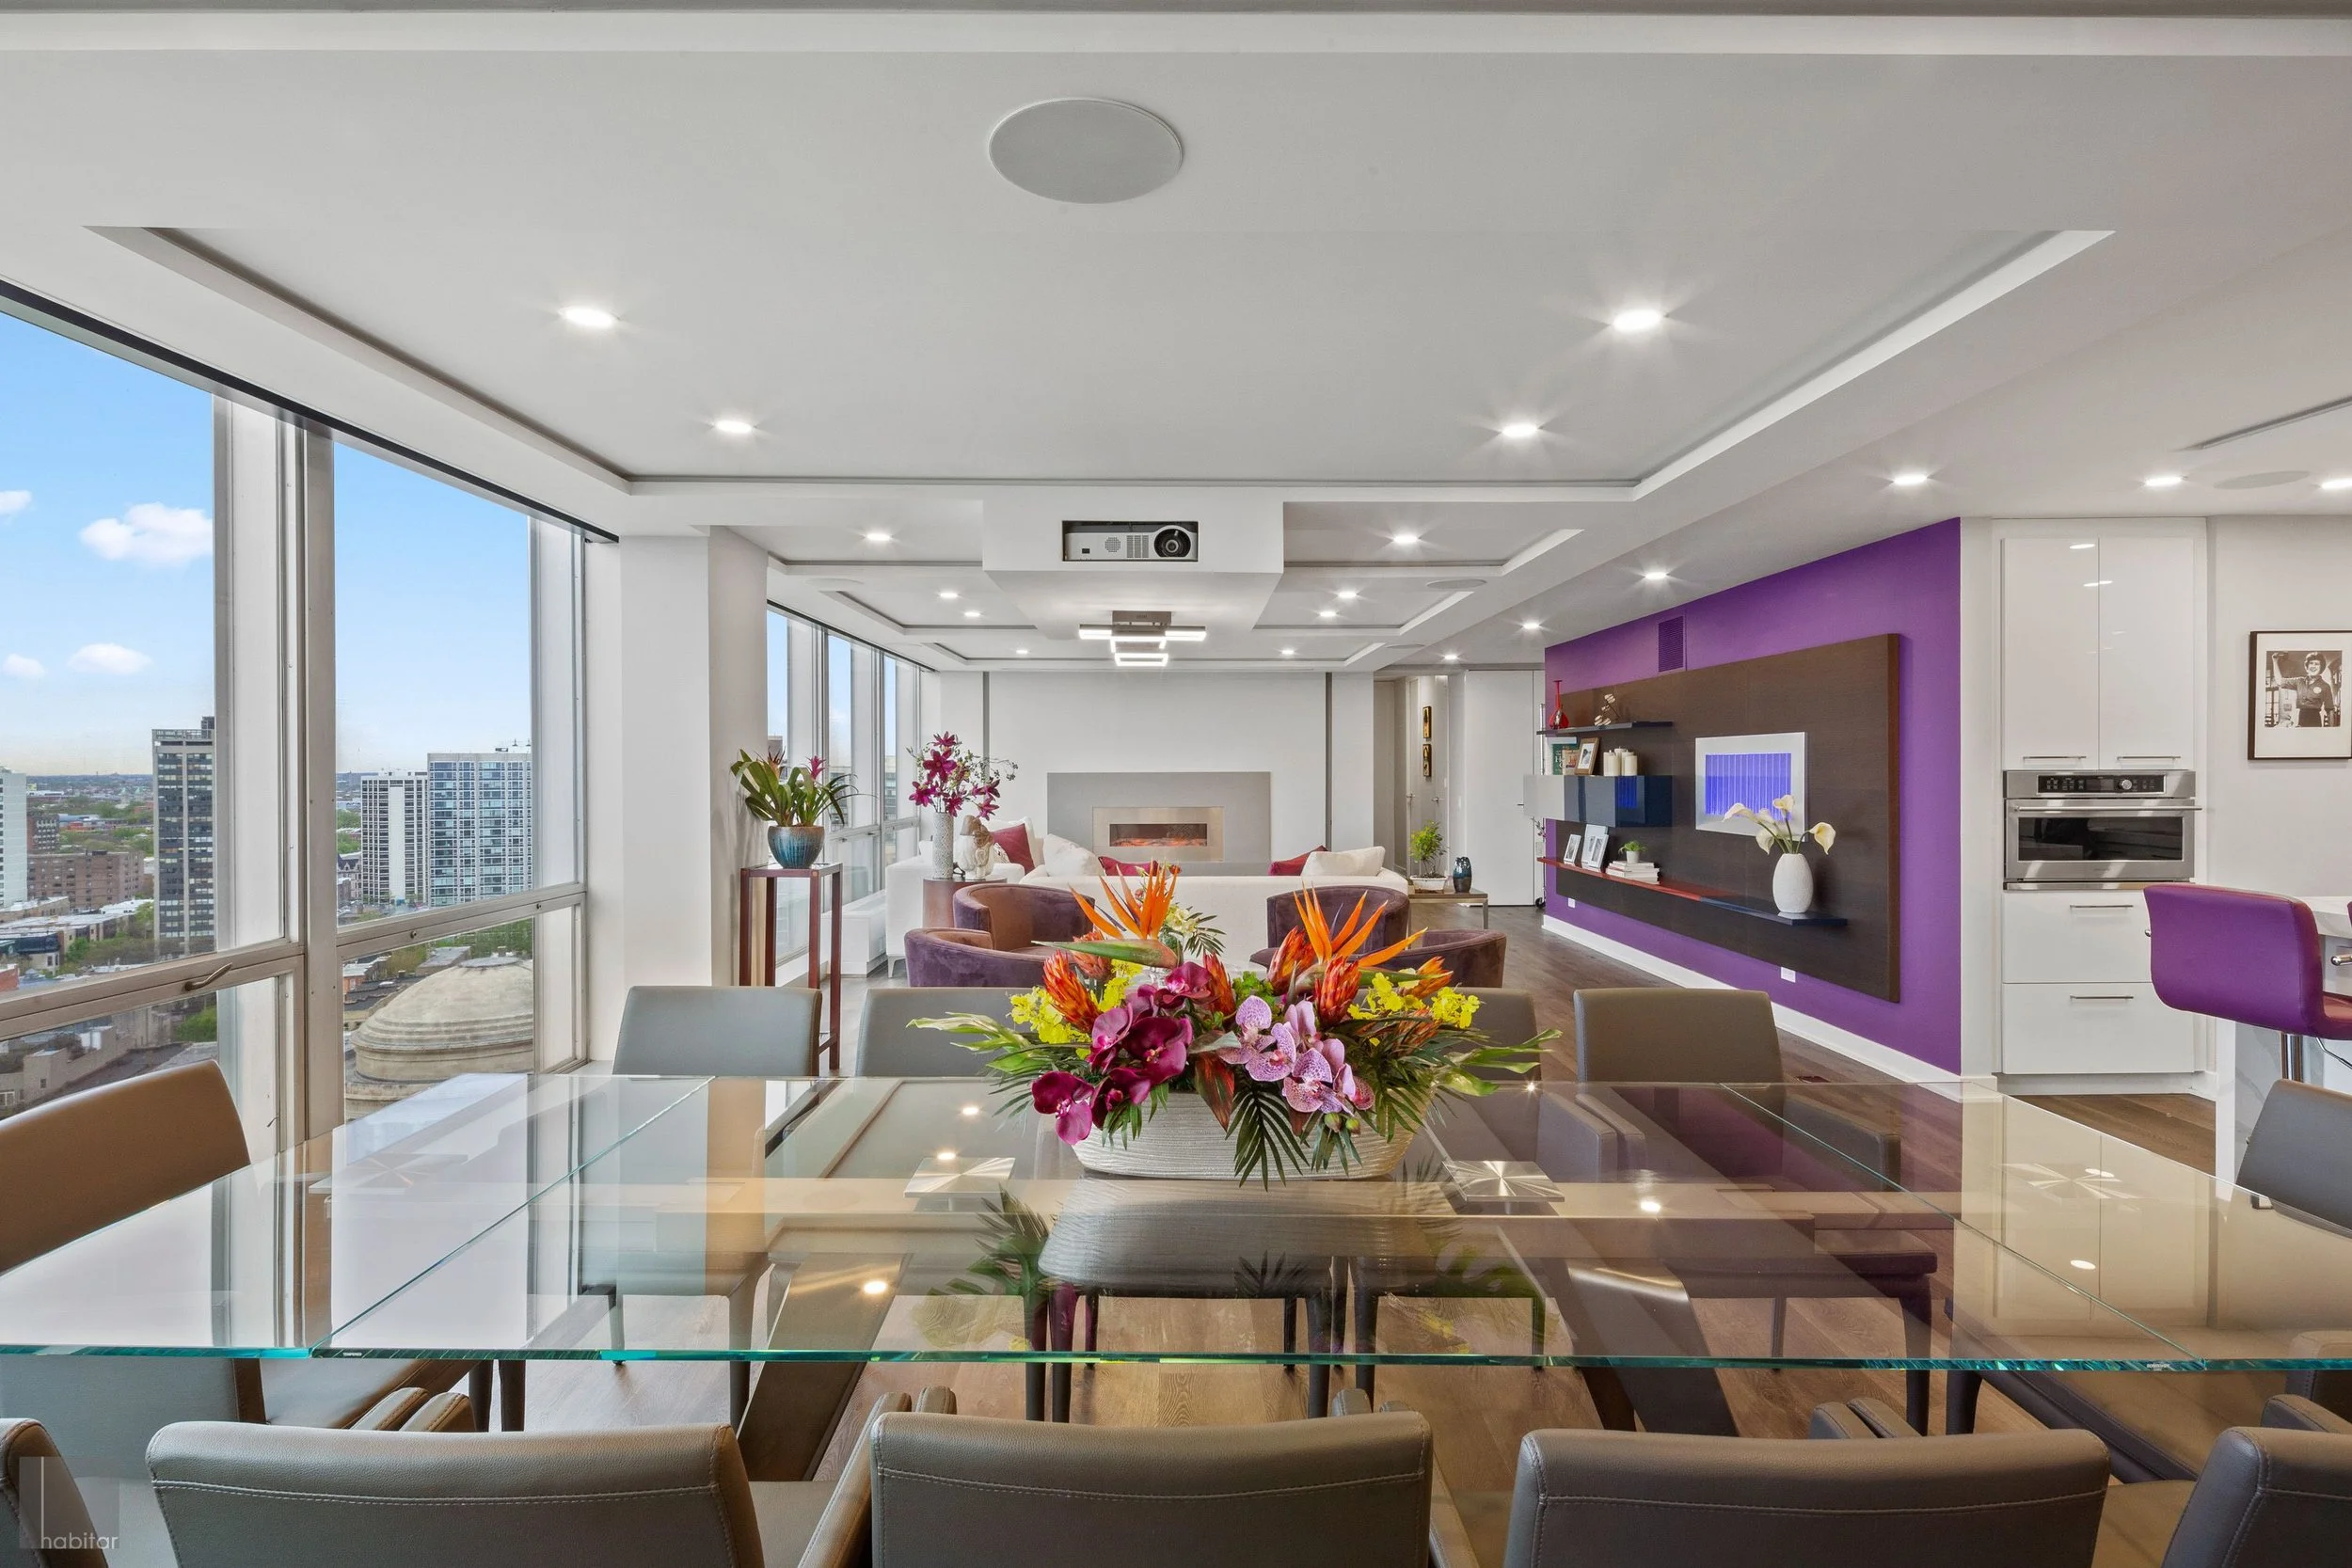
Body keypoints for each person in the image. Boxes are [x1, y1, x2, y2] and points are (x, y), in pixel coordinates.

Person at [2280, 651, 2343, 729]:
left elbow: (2330, 710)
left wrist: (2332, 730)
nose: (2313, 666)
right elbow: (2279, 682)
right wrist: (2274, 661)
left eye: (2317, 664)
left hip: (2314, 721)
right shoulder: (2299, 681)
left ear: (2321, 668)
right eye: (2311, 663)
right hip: (2299, 719)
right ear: (2307, 666)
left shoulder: (2325, 686)